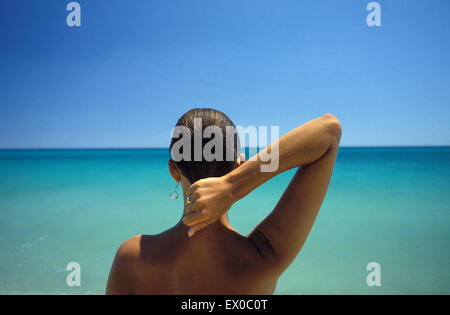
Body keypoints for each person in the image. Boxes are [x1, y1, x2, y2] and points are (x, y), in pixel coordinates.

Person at [106, 108, 342, 294]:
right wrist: (234, 186)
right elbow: (329, 131)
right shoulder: (264, 256)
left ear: (174, 170)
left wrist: (231, 186)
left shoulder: (132, 257)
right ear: (238, 165)